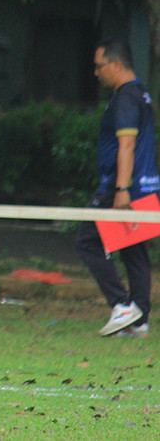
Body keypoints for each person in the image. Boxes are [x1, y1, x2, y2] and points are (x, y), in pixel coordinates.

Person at [76, 38, 160, 337]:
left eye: (99, 66)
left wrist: (121, 190)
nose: (96, 73)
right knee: (133, 250)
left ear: (115, 65)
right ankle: (139, 320)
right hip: (147, 186)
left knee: (87, 241)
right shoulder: (141, 94)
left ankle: (122, 305)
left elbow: (127, 144)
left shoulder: (125, 98)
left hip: (122, 187)